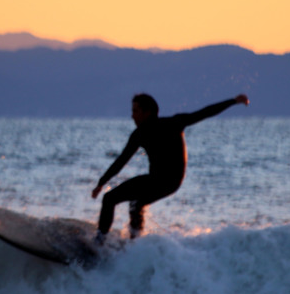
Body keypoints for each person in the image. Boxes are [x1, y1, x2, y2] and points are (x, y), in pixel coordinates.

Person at [91, 93, 250, 241]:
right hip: (163, 182)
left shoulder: (173, 123)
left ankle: (100, 242)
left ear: (148, 112)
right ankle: (135, 242)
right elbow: (121, 161)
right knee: (135, 203)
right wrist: (101, 182)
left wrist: (233, 101)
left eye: (136, 111)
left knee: (111, 198)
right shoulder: (139, 134)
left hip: (167, 181)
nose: (132, 116)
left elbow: (204, 113)